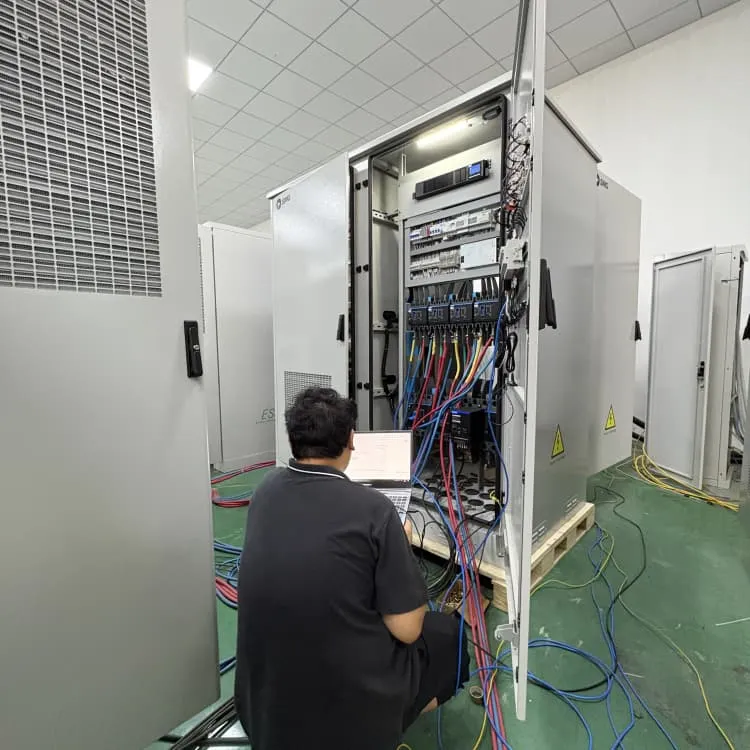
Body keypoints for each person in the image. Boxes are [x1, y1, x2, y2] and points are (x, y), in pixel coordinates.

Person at [234, 387, 469, 750]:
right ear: (350, 441)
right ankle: (381, 726)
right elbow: (408, 631)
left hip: (262, 714)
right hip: (342, 724)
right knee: (449, 636)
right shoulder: (376, 511)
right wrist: (401, 549)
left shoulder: (265, 490)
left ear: (293, 439)